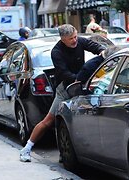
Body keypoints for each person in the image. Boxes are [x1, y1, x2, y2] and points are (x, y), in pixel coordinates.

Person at [19, 24, 106, 162]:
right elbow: (64, 73)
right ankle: (26, 149)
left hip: (81, 84)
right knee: (48, 121)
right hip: (65, 89)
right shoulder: (56, 52)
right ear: (63, 39)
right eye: (71, 38)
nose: (75, 40)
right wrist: (79, 78)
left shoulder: (80, 41)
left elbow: (93, 46)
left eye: (76, 36)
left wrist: (102, 51)